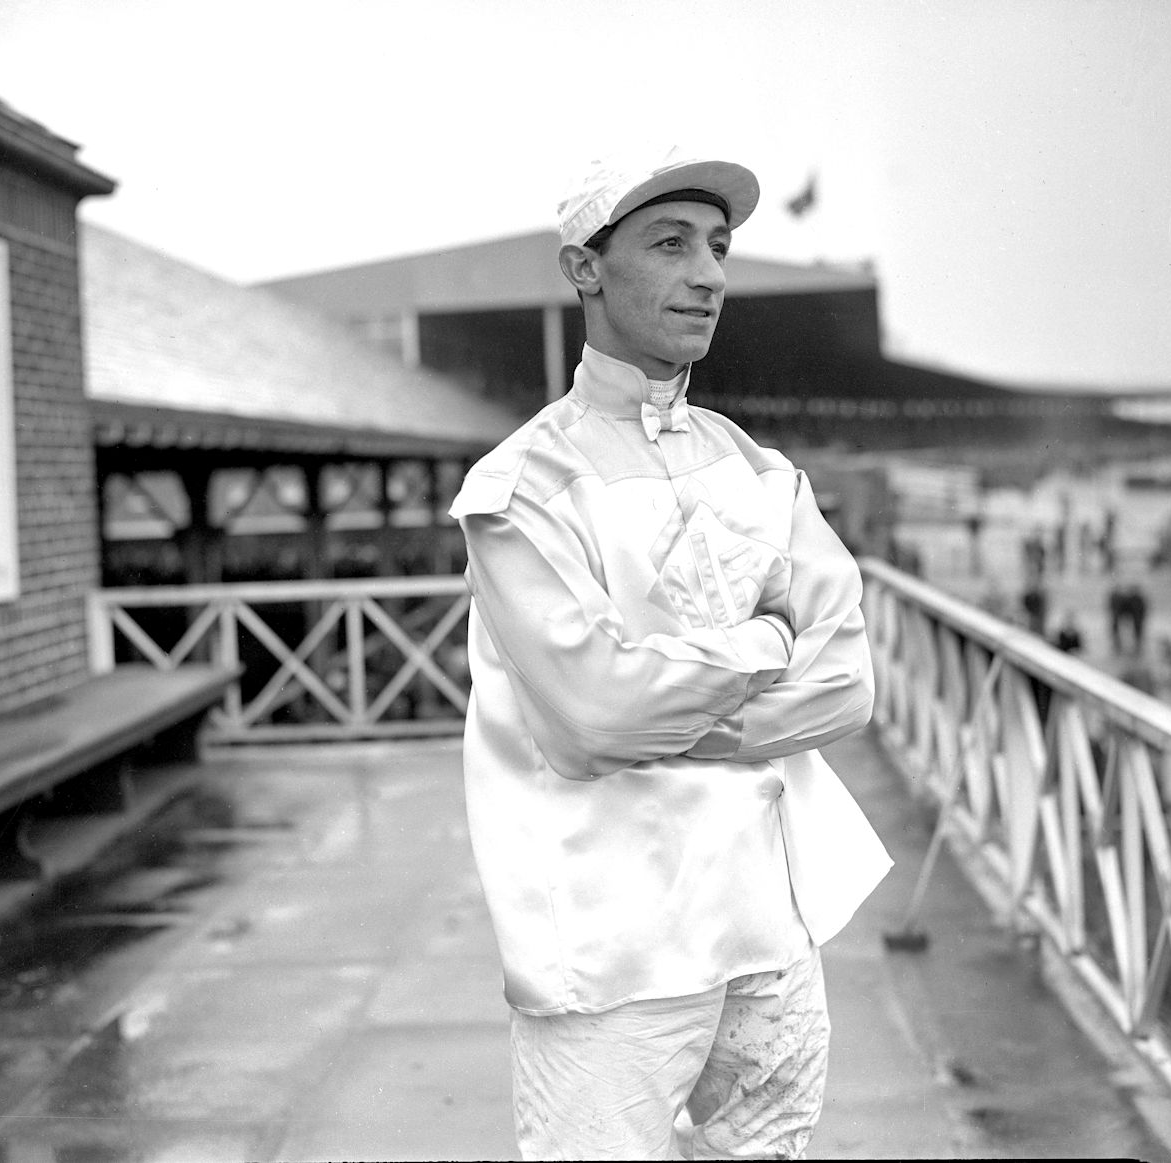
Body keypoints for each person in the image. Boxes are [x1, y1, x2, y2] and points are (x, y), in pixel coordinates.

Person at [448, 148, 892, 1160]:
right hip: (614, 956)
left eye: (720, 247)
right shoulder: (520, 485)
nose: (710, 275)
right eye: (670, 243)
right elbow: (594, 714)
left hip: (773, 938)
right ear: (584, 268)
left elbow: (848, 685)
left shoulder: (757, 466)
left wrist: (677, 691)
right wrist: (765, 640)